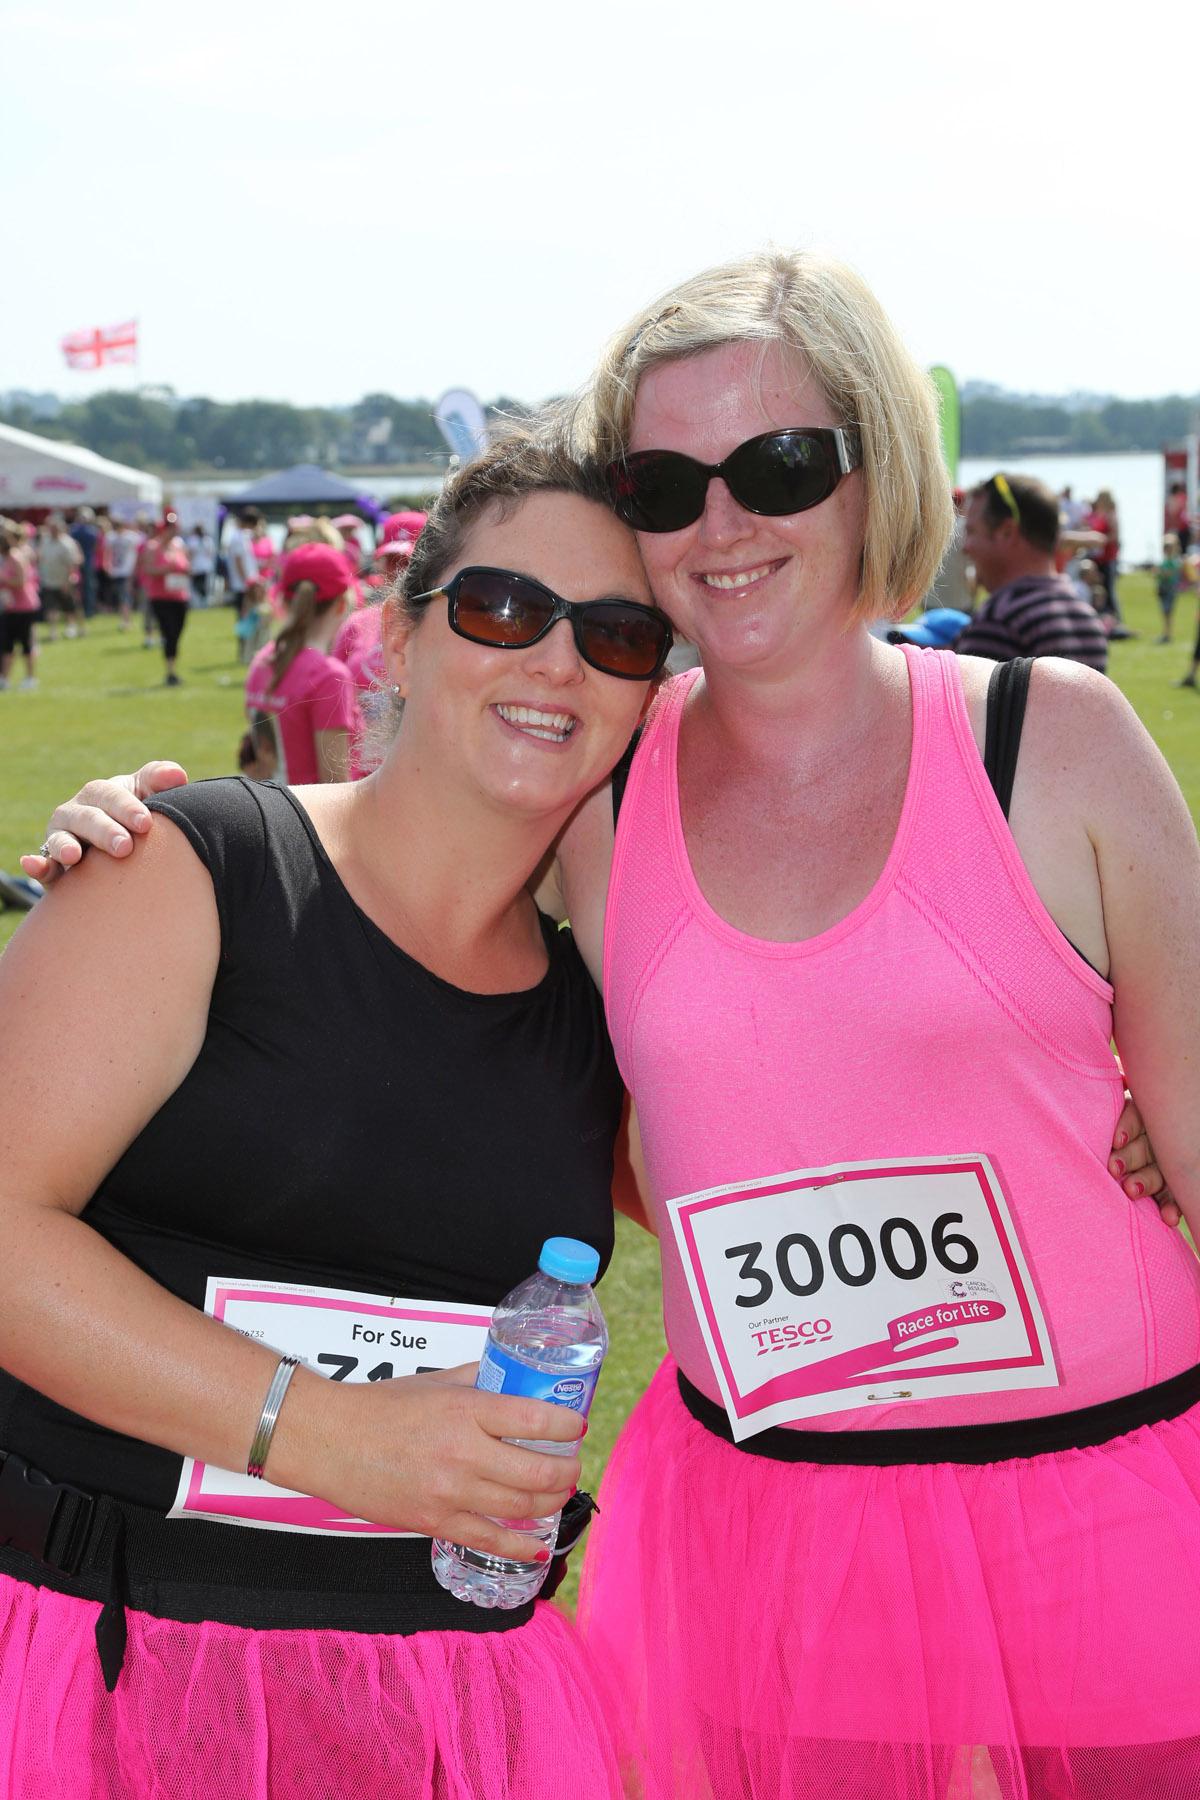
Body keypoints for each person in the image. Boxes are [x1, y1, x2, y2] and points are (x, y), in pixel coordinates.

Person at [26, 252, 1186, 1799]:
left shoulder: (1041, 747)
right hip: (756, 1530)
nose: (723, 523)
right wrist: (128, 846)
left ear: (870, 476)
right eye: (665, 480)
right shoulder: (548, 809)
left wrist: (1089, 1124)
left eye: (779, 464)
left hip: (1097, 1498)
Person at [0, 429, 676, 1795]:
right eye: (503, 608)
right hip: (117, 1671)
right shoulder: (196, 873)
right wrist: (323, 1436)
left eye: (617, 635)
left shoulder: (616, 1005)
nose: (556, 661)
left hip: (444, 1699)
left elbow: (734, 1219)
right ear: (401, 636)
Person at [956, 473, 1109, 670]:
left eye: (972, 532)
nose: (965, 547)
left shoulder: (999, 621)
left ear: (1007, 532)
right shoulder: (1086, 618)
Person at [244, 542, 362, 784]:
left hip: (269, 813)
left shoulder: (261, 662)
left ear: (285, 602)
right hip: (309, 818)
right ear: (342, 605)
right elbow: (334, 788)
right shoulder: (329, 676)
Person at [140, 512, 192, 686]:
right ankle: (170, 671)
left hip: (180, 595)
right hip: (161, 597)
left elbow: (187, 566)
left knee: (177, 632)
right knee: (168, 632)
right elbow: (148, 569)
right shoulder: (153, 547)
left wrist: (184, 570)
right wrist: (166, 569)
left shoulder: (179, 546)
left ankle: (173, 666)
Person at [0, 519, 40, 690]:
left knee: (26, 645)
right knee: (7, 645)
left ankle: (30, 678)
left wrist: (4, 580)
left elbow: (22, 581)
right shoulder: (8, 559)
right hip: (11, 607)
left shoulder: (16, 558)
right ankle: (5, 679)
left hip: (24, 607)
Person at [36, 515, 83, 640]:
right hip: (48, 580)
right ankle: (53, 631)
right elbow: (40, 557)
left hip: (64, 581)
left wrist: (68, 581)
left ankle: (72, 627)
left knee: (69, 607)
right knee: (51, 607)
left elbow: (74, 563)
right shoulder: (45, 540)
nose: (52, 530)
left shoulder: (68, 543)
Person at [187, 523, 216, 605]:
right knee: (201, 585)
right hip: (204, 566)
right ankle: (203, 601)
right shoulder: (208, 540)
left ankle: (201, 601)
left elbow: (190, 554)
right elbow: (211, 553)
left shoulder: (193, 540)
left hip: (197, 566)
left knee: (198, 585)